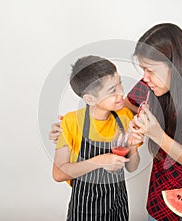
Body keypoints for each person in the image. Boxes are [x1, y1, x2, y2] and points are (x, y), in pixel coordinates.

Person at [50, 23, 182, 221]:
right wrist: (69, 124)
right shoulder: (151, 86)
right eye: (143, 70)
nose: (145, 78)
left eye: (150, 70)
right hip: (161, 200)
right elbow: (121, 106)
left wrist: (157, 135)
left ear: (175, 64)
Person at [52, 55, 141, 221]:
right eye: (112, 90)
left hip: (118, 206)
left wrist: (133, 148)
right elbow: (58, 173)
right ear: (90, 99)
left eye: (120, 83)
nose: (121, 92)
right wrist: (100, 161)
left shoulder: (124, 117)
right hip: (85, 210)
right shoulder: (71, 122)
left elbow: (132, 167)